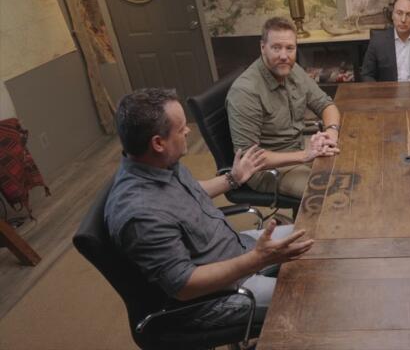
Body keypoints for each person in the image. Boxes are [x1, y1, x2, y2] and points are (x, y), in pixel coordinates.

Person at [105, 88, 315, 330]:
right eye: (181, 128)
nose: (188, 130)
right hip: (217, 297)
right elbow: (185, 287)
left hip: (237, 247)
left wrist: (233, 179)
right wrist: (257, 259)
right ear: (158, 143)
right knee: (314, 297)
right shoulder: (141, 215)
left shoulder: (158, 163)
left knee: (316, 234)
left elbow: (190, 191)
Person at [227, 17, 341, 199]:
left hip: (298, 150)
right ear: (262, 47)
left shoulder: (292, 69)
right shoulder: (245, 91)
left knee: (352, 171)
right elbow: (249, 158)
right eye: (276, 48)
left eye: (289, 48)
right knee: (330, 192)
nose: (284, 55)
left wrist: (331, 134)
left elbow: (326, 104)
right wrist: (305, 155)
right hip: (267, 169)